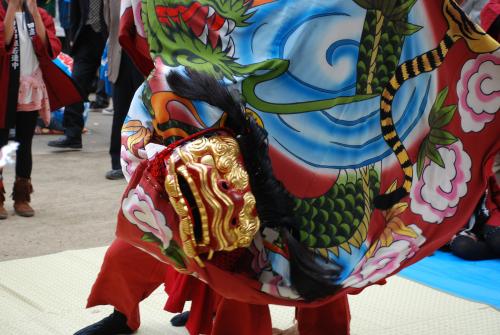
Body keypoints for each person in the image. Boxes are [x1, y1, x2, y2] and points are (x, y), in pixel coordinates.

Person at [0, 0, 81, 218]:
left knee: (24, 143)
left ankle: (22, 196)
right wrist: (12, 10)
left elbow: (51, 48)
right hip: (4, 87)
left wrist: (34, 11)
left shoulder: (39, 14)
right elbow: (3, 42)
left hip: (29, 87)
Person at [47, 0, 106, 149]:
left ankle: (128, 138)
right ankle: (72, 135)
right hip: (85, 38)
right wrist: (73, 39)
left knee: (122, 92)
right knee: (75, 85)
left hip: (110, 38)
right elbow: (74, 13)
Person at [103, 0, 142, 180]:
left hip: (144, 54)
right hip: (120, 56)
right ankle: (118, 162)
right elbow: (108, 21)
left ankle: (147, 161)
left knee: (146, 110)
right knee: (121, 111)